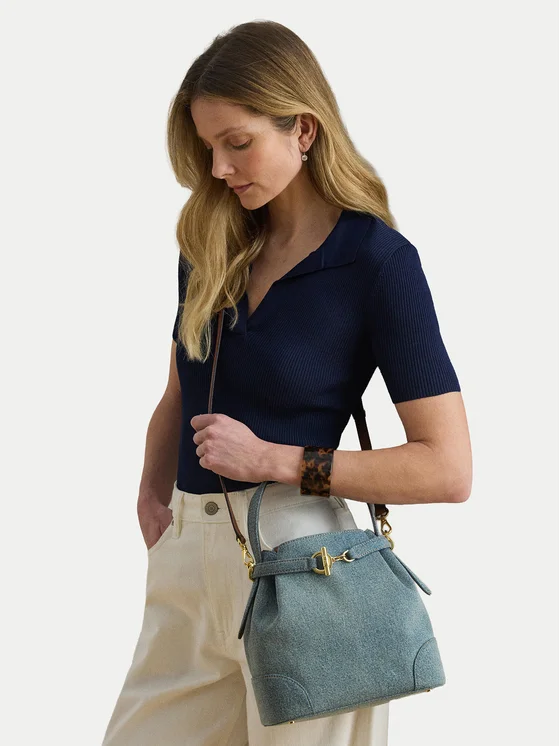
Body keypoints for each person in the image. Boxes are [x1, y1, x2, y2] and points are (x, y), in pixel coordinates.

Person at [100, 19, 472, 746]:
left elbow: (447, 467)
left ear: (303, 128)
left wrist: (273, 460)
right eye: (208, 147)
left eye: (237, 143)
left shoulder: (377, 262)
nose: (219, 168)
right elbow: (180, 388)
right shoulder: (209, 246)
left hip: (306, 564)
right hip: (189, 559)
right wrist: (151, 493)